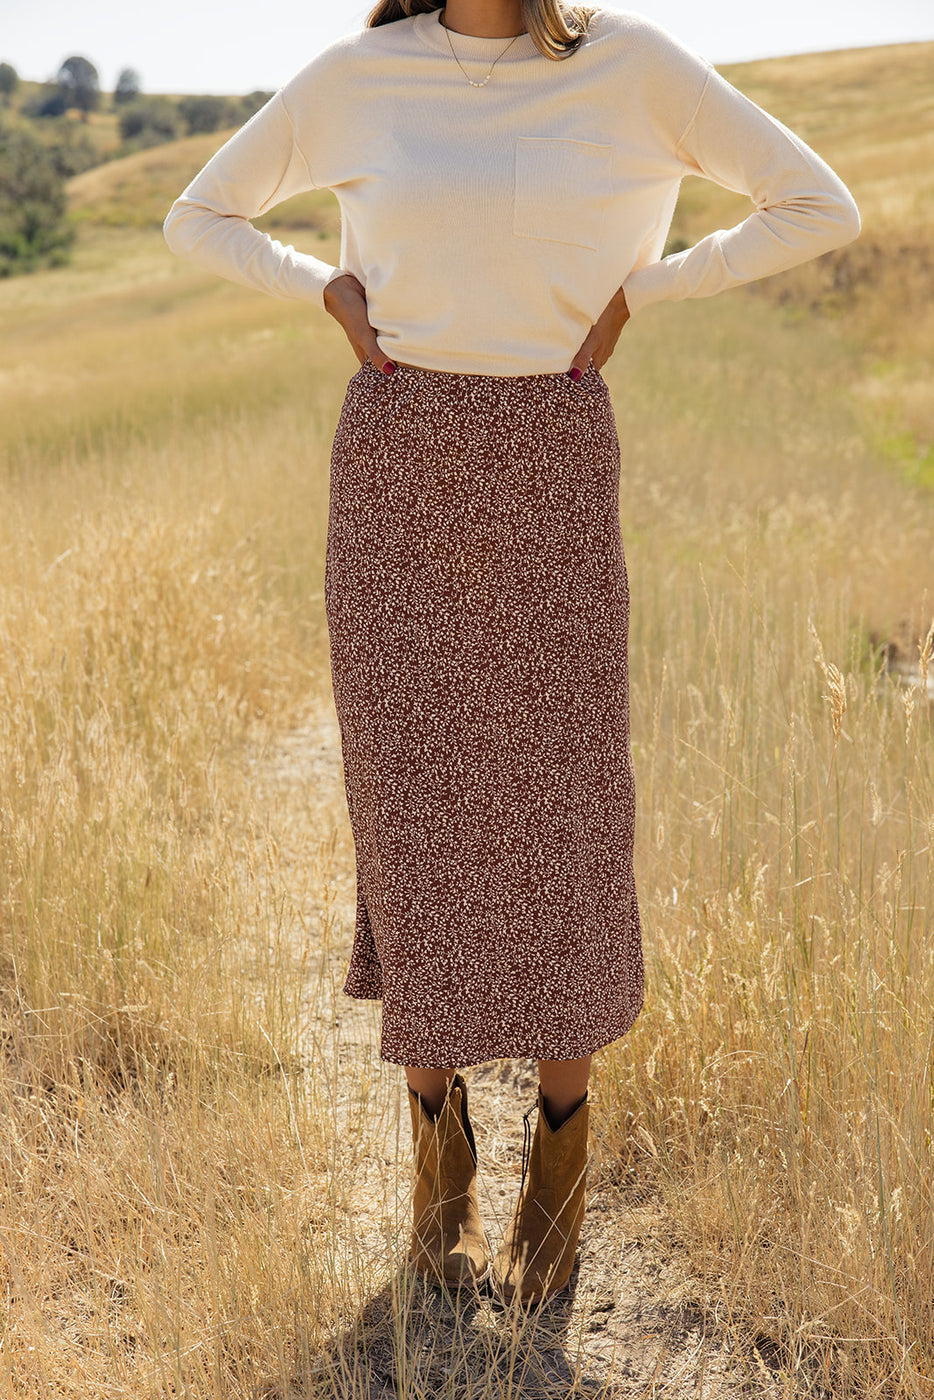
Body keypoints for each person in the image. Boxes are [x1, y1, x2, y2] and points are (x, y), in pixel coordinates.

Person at [163, 0, 859, 1303]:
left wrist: (648, 290)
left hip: (548, 451)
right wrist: (321, 288)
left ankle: (559, 1168)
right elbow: (196, 215)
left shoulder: (628, 64)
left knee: (563, 811)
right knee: (412, 804)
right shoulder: (361, 73)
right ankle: (437, 1161)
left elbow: (816, 204)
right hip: (399, 460)